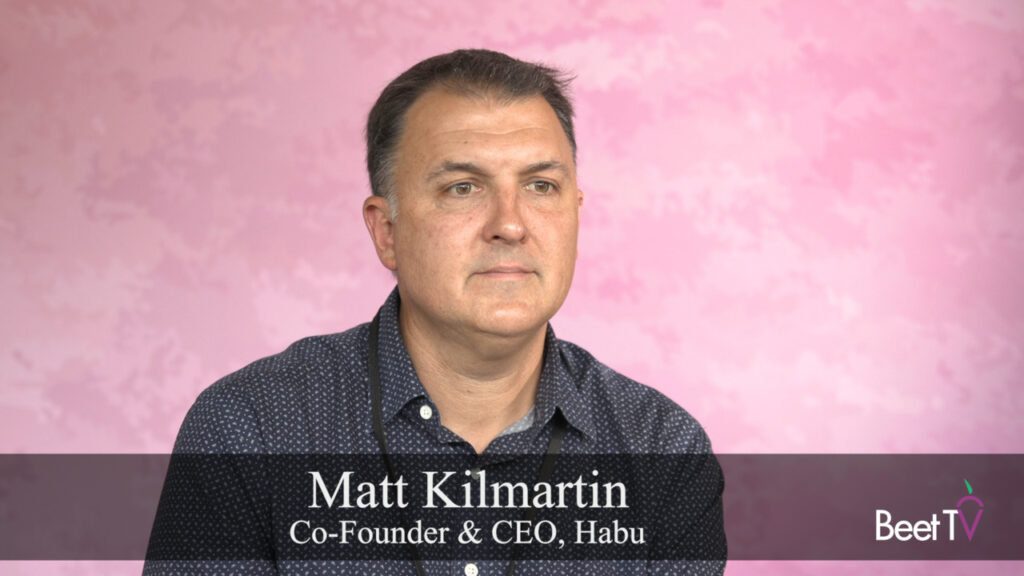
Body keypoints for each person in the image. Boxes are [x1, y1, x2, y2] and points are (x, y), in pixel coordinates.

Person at [144, 48, 726, 575]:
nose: (510, 224)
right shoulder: (250, 429)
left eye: (541, 186)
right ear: (386, 231)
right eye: (462, 188)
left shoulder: (665, 452)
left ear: (576, 214)